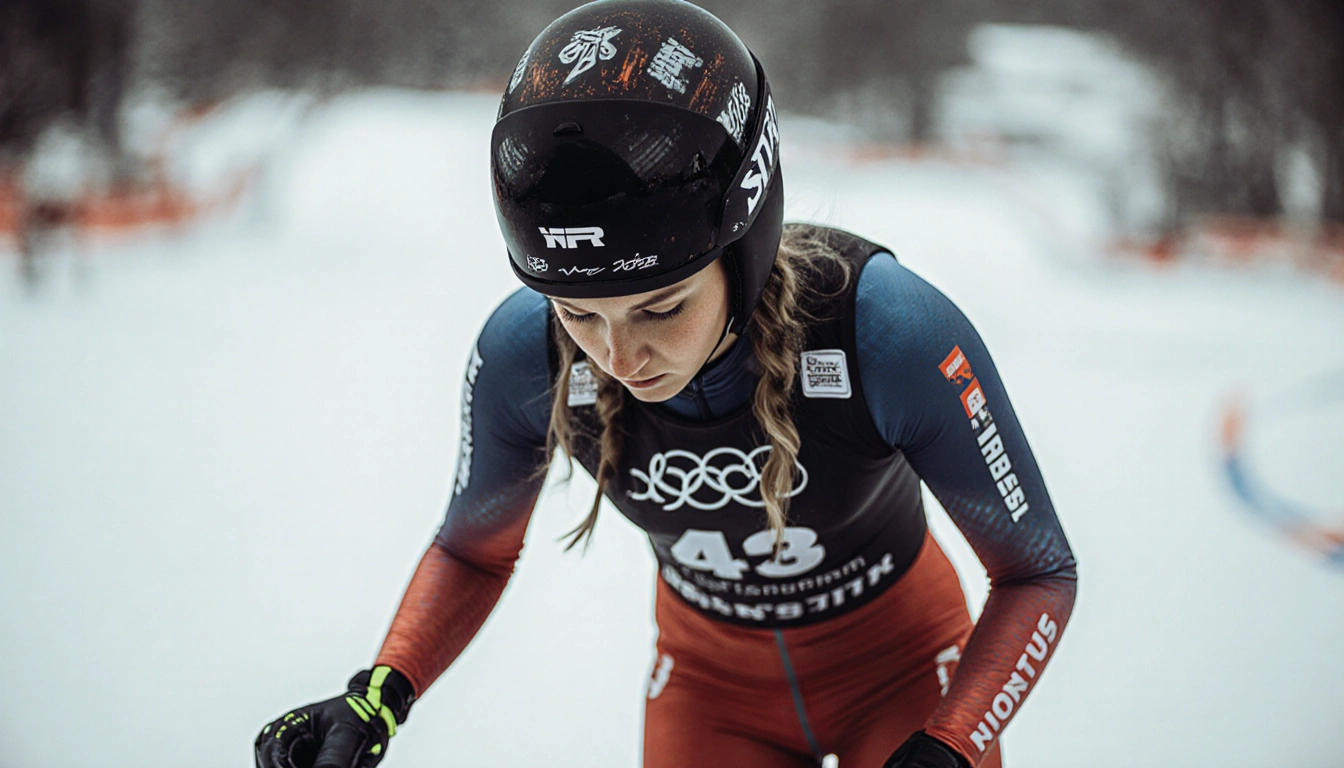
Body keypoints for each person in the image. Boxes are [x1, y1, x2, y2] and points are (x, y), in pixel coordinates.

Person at [253, 2, 1078, 767]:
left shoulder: (881, 328)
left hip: (901, 669)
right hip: (711, 694)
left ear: (744, 250)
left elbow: (1037, 572)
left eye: (660, 307)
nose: (617, 355)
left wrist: (953, 741)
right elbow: (473, 550)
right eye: (577, 312)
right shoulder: (527, 354)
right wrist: (380, 694)